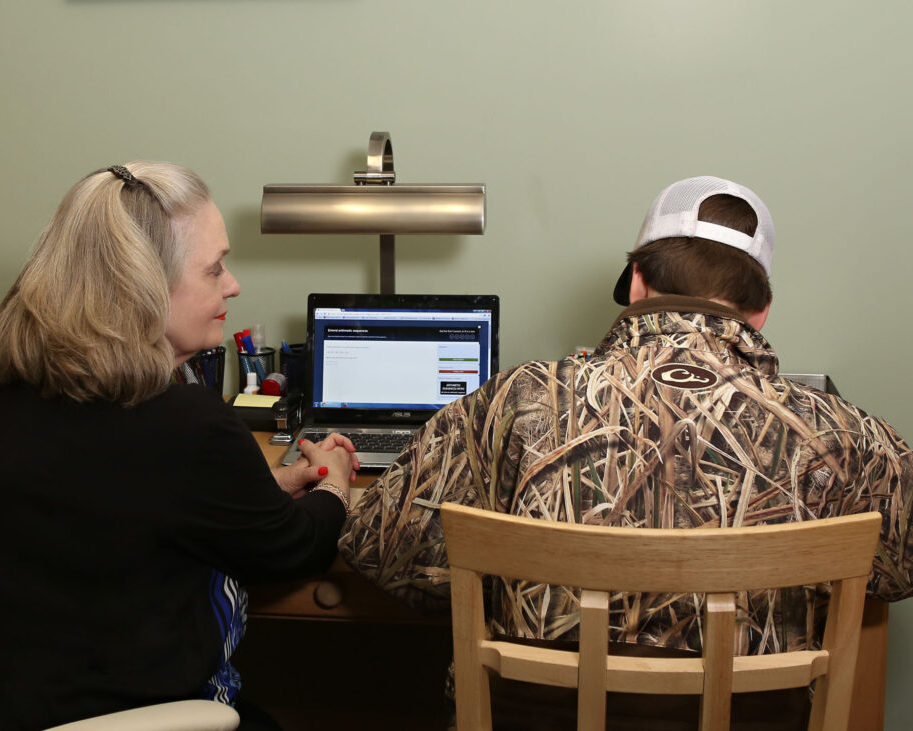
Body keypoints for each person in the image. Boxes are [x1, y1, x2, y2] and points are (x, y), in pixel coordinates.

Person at [338, 176, 913, 729]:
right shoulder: (839, 434)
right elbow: (897, 572)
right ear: (760, 312)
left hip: (534, 718)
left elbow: (380, 552)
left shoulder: (516, 399)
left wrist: (336, 485)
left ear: (636, 282)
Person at [0, 162, 359, 731]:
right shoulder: (188, 425)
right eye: (213, 270)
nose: (232, 285)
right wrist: (335, 481)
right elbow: (293, 548)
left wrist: (267, 488)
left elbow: (126, 503)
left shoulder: (17, 394)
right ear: (143, 290)